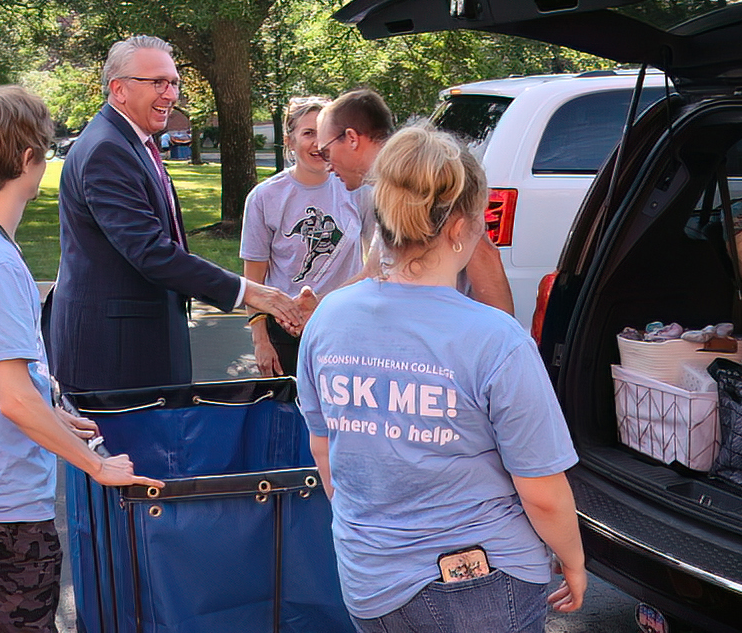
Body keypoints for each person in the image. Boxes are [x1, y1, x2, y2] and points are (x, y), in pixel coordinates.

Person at [297, 126, 586, 632]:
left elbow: (327, 453)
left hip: (368, 582)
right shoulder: (497, 340)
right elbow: (541, 491)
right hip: (480, 584)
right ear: (459, 229)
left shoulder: (328, 318)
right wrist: (574, 561)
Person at [0, 85, 164, 632]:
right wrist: (97, 466)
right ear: (27, 160)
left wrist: (53, 412)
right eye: (47, 150)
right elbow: (13, 401)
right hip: (4, 500)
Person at [48, 35, 308, 391]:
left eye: (173, 83)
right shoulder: (107, 150)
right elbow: (150, 252)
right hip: (115, 359)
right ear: (119, 89)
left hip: (137, 349)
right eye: (157, 82)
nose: (170, 95)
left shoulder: (131, 142)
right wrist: (250, 291)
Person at [318, 88, 514, 315]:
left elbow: (484, 255)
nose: (328, 166)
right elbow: (373, 272)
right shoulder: (383, 190)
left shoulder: (424, 178)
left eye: (325, 152)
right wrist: (319, 306)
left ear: (352, 138)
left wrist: (504, 334)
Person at [241, 95, 360, 377]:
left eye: (324, 134)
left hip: (344, 329)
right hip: (286, 333)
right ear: (289, 141)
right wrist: (261, 341)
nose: (318, 144)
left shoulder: (357, 188)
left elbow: (377, 264)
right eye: (308, 133)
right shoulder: (264, 197)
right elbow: (253, 282)